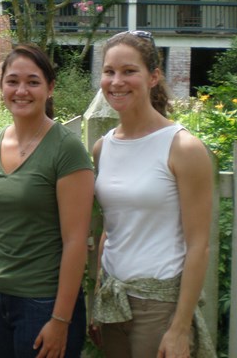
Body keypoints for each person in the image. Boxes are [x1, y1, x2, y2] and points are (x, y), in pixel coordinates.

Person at [90, 30, 215, 358]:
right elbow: (110, 230)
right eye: (109, 72)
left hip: (158, 306)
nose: (117, 81)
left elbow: (199, 245)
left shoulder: (183, 147)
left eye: (129, 71)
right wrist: (98, 296)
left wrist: (179, 327)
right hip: (113, 301)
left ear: (154, 77)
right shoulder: (103, 148)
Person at [0, 44, 95, 358]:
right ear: (1, 86)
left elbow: (75, 240)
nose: (21, 90)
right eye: (12, 81)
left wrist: (60, 319)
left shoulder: (67, 149)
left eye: (33, 82)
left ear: (50, 88)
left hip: (43, 302)